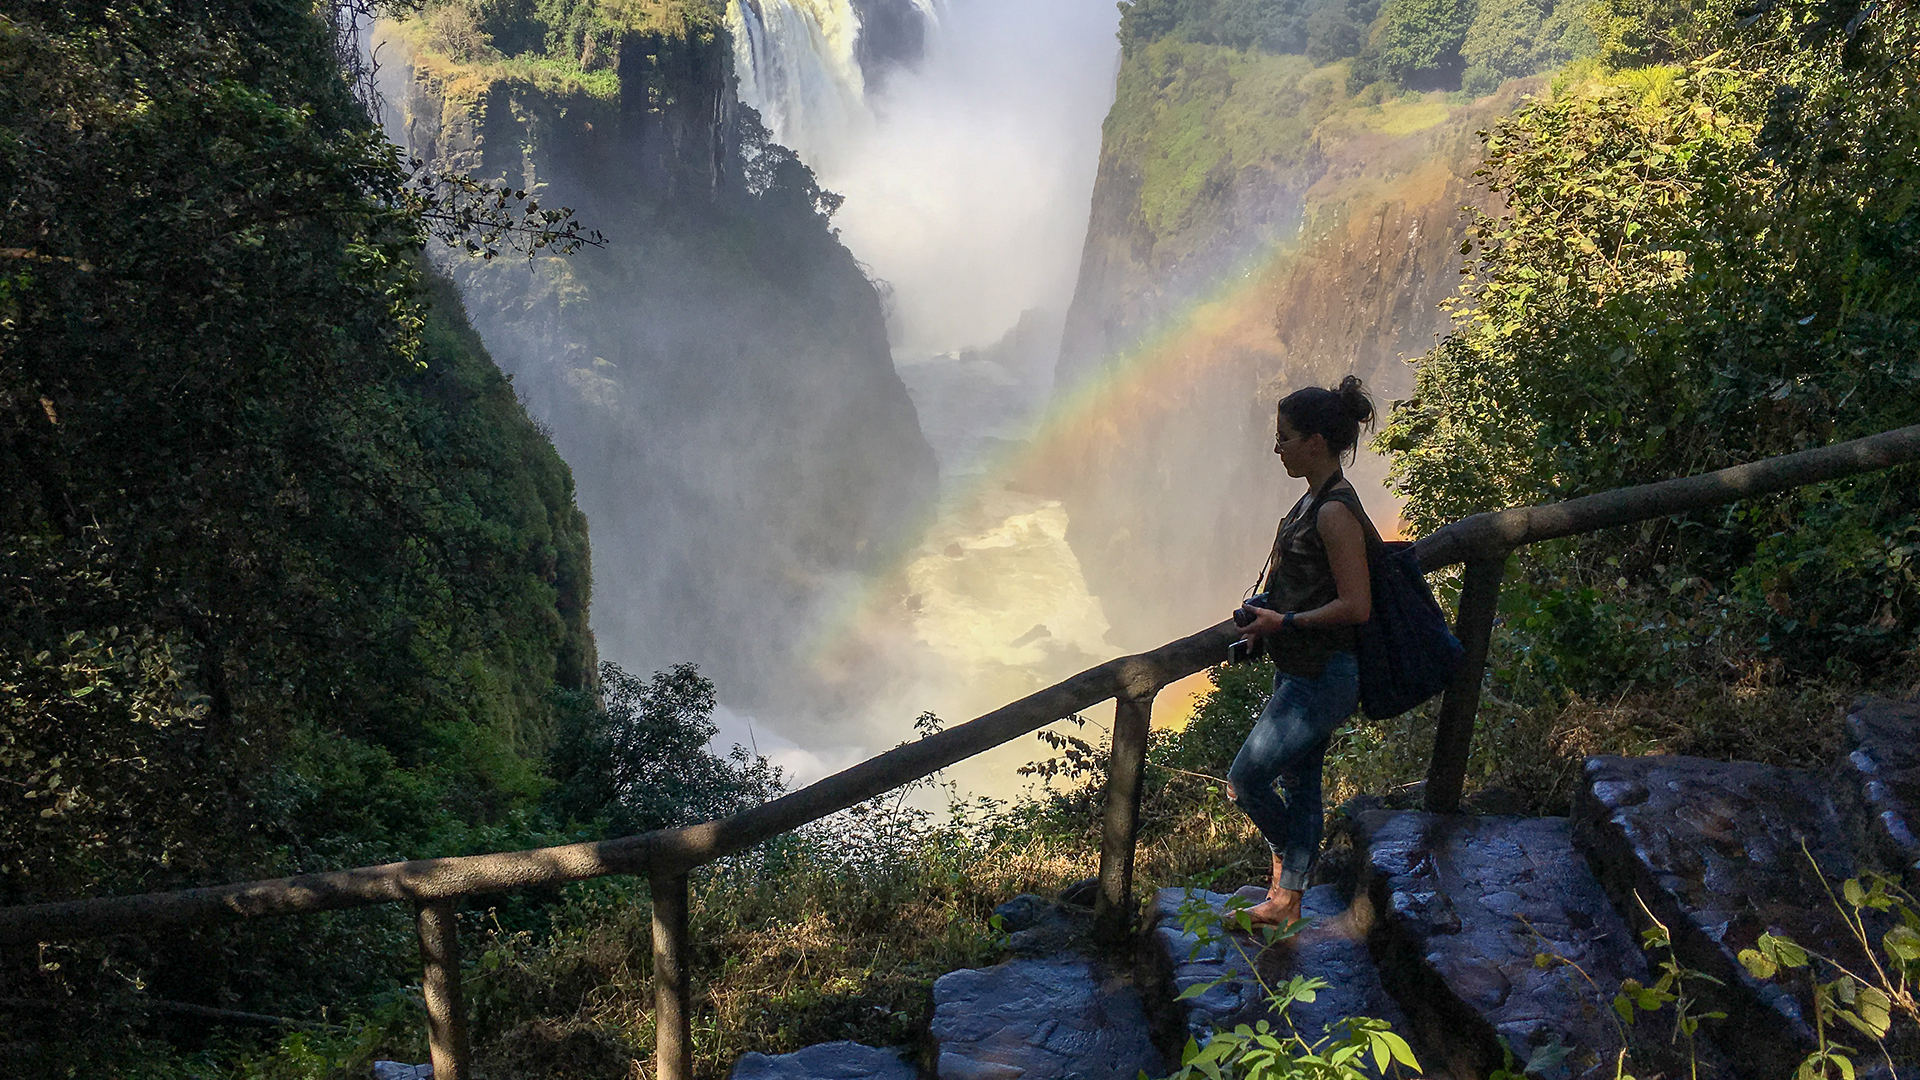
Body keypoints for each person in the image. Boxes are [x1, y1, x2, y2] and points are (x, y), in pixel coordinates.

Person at [1228, 375, 1378, 926]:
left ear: (1315, 442)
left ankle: (1293, 879)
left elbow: (1356, 605)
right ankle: (1285, 901)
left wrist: (1284, 620)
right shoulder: (1311, 501)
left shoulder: (1334, 510)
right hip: (1300, 667)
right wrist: (1264, 613)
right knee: (1301, 783)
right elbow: (1307, 584)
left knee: (1245, 781)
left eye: (1285, 437)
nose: (1277, 447)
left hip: (1323, 675)